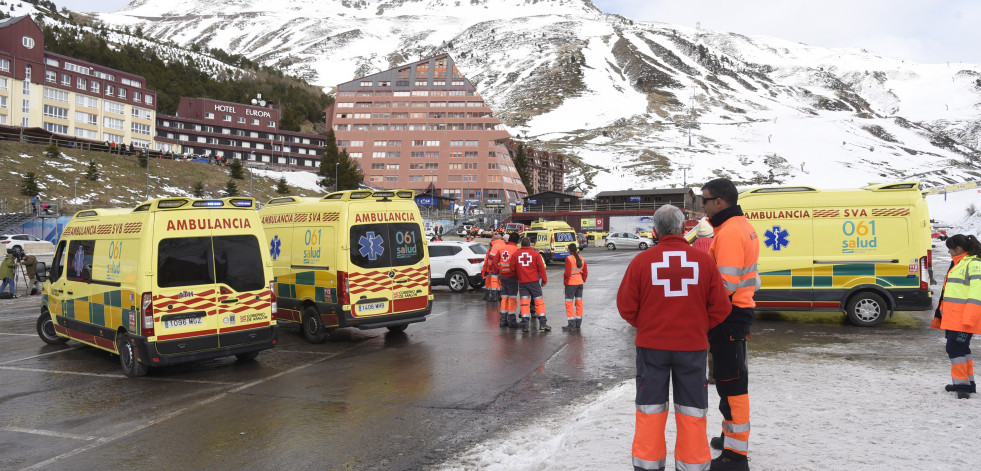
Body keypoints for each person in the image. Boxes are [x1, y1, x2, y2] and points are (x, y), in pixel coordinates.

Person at [618, 205, 732, 471]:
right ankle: (692, 465)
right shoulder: (704, 262)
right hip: (692, 348)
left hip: (651, 348)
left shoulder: (641, 262)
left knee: (650, 410)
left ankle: (647, 465)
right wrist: (699, 326)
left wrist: (647, 325)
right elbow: (722, 308)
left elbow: (626, 306)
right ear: (683, 229)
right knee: (692, 411)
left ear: (655, 231)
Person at [700, 178, 759, 471]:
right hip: (736, 313)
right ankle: (729, 436)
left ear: (719, 201)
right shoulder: (738, 227)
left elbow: (724, 285)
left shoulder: (731, 233)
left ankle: (735, 457)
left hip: (729, 316)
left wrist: (702, 309)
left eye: (705, 201)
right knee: (729, 379)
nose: (703, 207)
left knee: (732, 383)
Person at [931, 234, 981, 399]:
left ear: (958, 249)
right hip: (955, 319)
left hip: (964, 319)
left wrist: (969, 318)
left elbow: (976, 294)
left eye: (950, 250)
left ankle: (963, 386)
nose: (949, 253)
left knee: (954, 348)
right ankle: (967, 383)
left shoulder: (973, 265)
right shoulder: (959, 263)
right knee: (962, 349)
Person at [514, 236, 550, 332]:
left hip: (522, 283)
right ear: (529, 244)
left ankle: (525, 324)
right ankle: (542, 324)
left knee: (524, 304)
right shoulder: (535, 254)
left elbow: (512, 268)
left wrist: (518, 277)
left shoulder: (516, 254)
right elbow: (541, 268)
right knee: (539, 303)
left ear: (521, 244)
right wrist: (544, 280)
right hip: (534, 283)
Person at [496, 232, 521, 328]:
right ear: (517, 240)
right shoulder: (516, 250)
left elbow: (495, 262)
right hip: (512, 277)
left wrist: (499, 272)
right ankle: (512, 321)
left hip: (502, 276)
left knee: (504, 298)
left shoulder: (502, 248)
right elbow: (518, 265)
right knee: (512, 298)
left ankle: (503, 320)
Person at [562, 242, 588, 331]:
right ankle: (578, 323)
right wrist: (582, 280)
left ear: (569, 250)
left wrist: (565, 283)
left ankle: (571, 324)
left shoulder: (569, 259)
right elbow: (585, 272)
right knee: (579, 303)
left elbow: (567, 273)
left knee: (569, 303)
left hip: (571, 284)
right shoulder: (582, 258)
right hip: (579, 283)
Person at [481, 233, 505, 302]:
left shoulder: (495, 246)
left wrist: (489, 267)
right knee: (500, 282)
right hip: (502, 267)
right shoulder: (504, 244)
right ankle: (500, 295)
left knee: (493, 281)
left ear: (495, 239)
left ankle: (493, 296)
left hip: (494, 267)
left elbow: (490, 258)